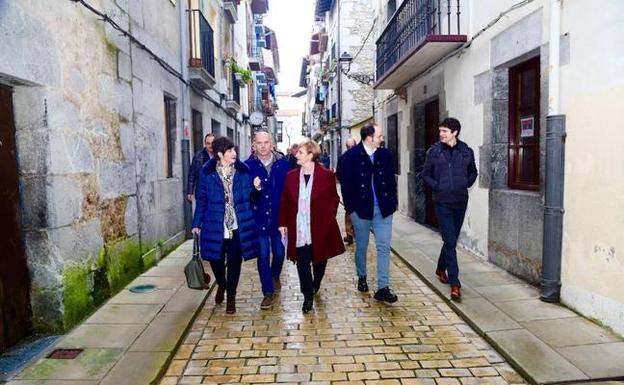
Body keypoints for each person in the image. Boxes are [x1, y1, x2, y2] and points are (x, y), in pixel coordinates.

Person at [191, 136, 261, 314]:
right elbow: (202, 200)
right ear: (220, 154)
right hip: (215, 225)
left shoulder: (243, 172)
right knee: (216, 260)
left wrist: (256, 189)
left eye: (234, 150)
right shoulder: (208, 175)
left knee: (235, 262)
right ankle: (221, 284)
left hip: (237, 226)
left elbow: (250, 199)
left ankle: (231, 296)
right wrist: (196, 223)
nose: (234, 154)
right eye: (230, 151)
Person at [279, 140, 345, 313]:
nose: (296, 155)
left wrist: (329, 216)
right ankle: (307, 296)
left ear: (310, 155)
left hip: (320, 226)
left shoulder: (327, 175)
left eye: (300, 152)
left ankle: (316, 282)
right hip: (299, 228)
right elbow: (285, 201)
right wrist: (283, 223)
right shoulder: (291, 176)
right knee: (302, 262)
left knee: (320, 260)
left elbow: (334, 198)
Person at [340, 123, 398, 303]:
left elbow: (390, 180)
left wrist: (392, 202)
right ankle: (362, 276)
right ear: (369, 138)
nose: (382, 139)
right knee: (362, 245)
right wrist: (351, 208)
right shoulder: (350, 157)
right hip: (361, 210)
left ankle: (383, 287)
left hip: (383, 209)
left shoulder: (385, 155)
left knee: (383, 247)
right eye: (379, 136)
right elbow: (345, 184)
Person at [422, 117, 477, 301]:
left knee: (450, 240)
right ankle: (455, 284)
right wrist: (437, 187)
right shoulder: (434, 152)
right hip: (442, 201)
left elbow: (473, 172)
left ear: (455, 132)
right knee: (450, 239)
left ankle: (439, 267)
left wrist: (464, 184)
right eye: (440, 131)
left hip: (460, 200)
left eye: (444, 131)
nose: (441, 134)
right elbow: (425, 175)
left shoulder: (466, 152)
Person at [245, 130, 290, 310]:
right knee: (263, 255)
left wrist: (287, 220)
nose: (263, 146)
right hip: (259, 220)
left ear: (272, 143)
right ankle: (268, 293)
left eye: (266, 142)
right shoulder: (247, 167)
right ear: (254, 145)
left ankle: (275, 275)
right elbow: (246, 198)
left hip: (279, 219)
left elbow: (289, 195)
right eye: (259, 143)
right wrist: (255, 190)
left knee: (279, 253)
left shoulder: (283, 165)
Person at [335, 137, 357, 245]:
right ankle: (354, 234)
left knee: (349, 211)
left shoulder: (342, 158)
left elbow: (338, 174)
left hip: (347, 190)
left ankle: (350, 234)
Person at [187, 133, 215, 202]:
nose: (210, 145)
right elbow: (192, 175)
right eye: (208, 143)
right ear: (205, 144)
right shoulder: (198, 156)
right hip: (202, 193)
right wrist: (190, 191)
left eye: (212, 143)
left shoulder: (220, 156)